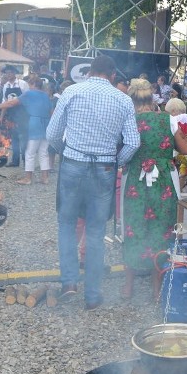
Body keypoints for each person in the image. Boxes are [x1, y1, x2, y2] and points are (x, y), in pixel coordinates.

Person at [46, 55, 140, 311]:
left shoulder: (71, 92)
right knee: (97, 231)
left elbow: (52, 133)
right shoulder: (123, 99)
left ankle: (69, 283)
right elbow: (133, 142)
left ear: (89, 72)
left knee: (66, 224)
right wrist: (115, 161)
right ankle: (93, 295)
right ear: (111, 75)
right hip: (104, 168)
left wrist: (66, 153)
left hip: (73, 165)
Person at [121, 78, 187, 298]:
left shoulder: (128, 120)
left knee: (133, 228)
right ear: (152, 99)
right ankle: (156, 287)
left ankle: (128, 286)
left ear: (131, 100)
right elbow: (186, 150)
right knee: (162, 229)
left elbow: (124, 150)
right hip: (164, 181)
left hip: (135, 180)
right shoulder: (168, 120)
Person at [0, 76, 52, 185]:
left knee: (30, 152)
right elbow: (51, 112)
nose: (28, 86)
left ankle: (28, 179)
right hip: (46, 124)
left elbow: (11, 103)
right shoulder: (45, 96)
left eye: (29, 84)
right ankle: (45, 178)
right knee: (44, 153)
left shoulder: (29, 94)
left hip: (35, 124)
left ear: (33, 84)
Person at [0, 66, 29, 167]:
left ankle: (26, 161)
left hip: (22, 114)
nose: (8, 75)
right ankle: (15, 161)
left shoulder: (22, 84)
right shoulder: (6, 85)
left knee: (23, 139)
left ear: (15, 73)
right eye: (7, 73)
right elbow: (5, 102)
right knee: (14, 138)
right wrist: (1, 116)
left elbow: (28, 100)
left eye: (10, 72)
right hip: (11, 115)